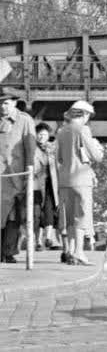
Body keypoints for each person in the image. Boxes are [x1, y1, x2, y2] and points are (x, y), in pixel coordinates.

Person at [55, 100, 104, 266]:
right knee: (82, 217)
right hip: (82, 179)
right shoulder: (84, 129)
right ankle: (79, 252)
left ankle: (70, 251)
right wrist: (97, 147)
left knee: (69, 218)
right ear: (84, 114)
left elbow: (60, 157)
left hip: (64, 180)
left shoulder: (61, 131)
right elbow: (97, 156)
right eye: (89, 115)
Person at [0, 90, 36, 264]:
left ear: (14, 103)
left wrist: (30, 172)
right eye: (0, 103)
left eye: (6, 103)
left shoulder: (24, 120)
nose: (2, 106)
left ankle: (9, 251)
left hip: (18, 176)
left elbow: (31, 148)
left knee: (15, 216)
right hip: (1, 176)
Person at [32, 123, 60, 250]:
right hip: (35, 185)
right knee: (36, 213)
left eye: (43, 134)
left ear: (49, 136)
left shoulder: (53, 149)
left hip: (50, 185)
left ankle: (48, 238)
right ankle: (37, 240)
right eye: (39, 134)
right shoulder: (32, 148)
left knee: (49, 210)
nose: (41, 137)